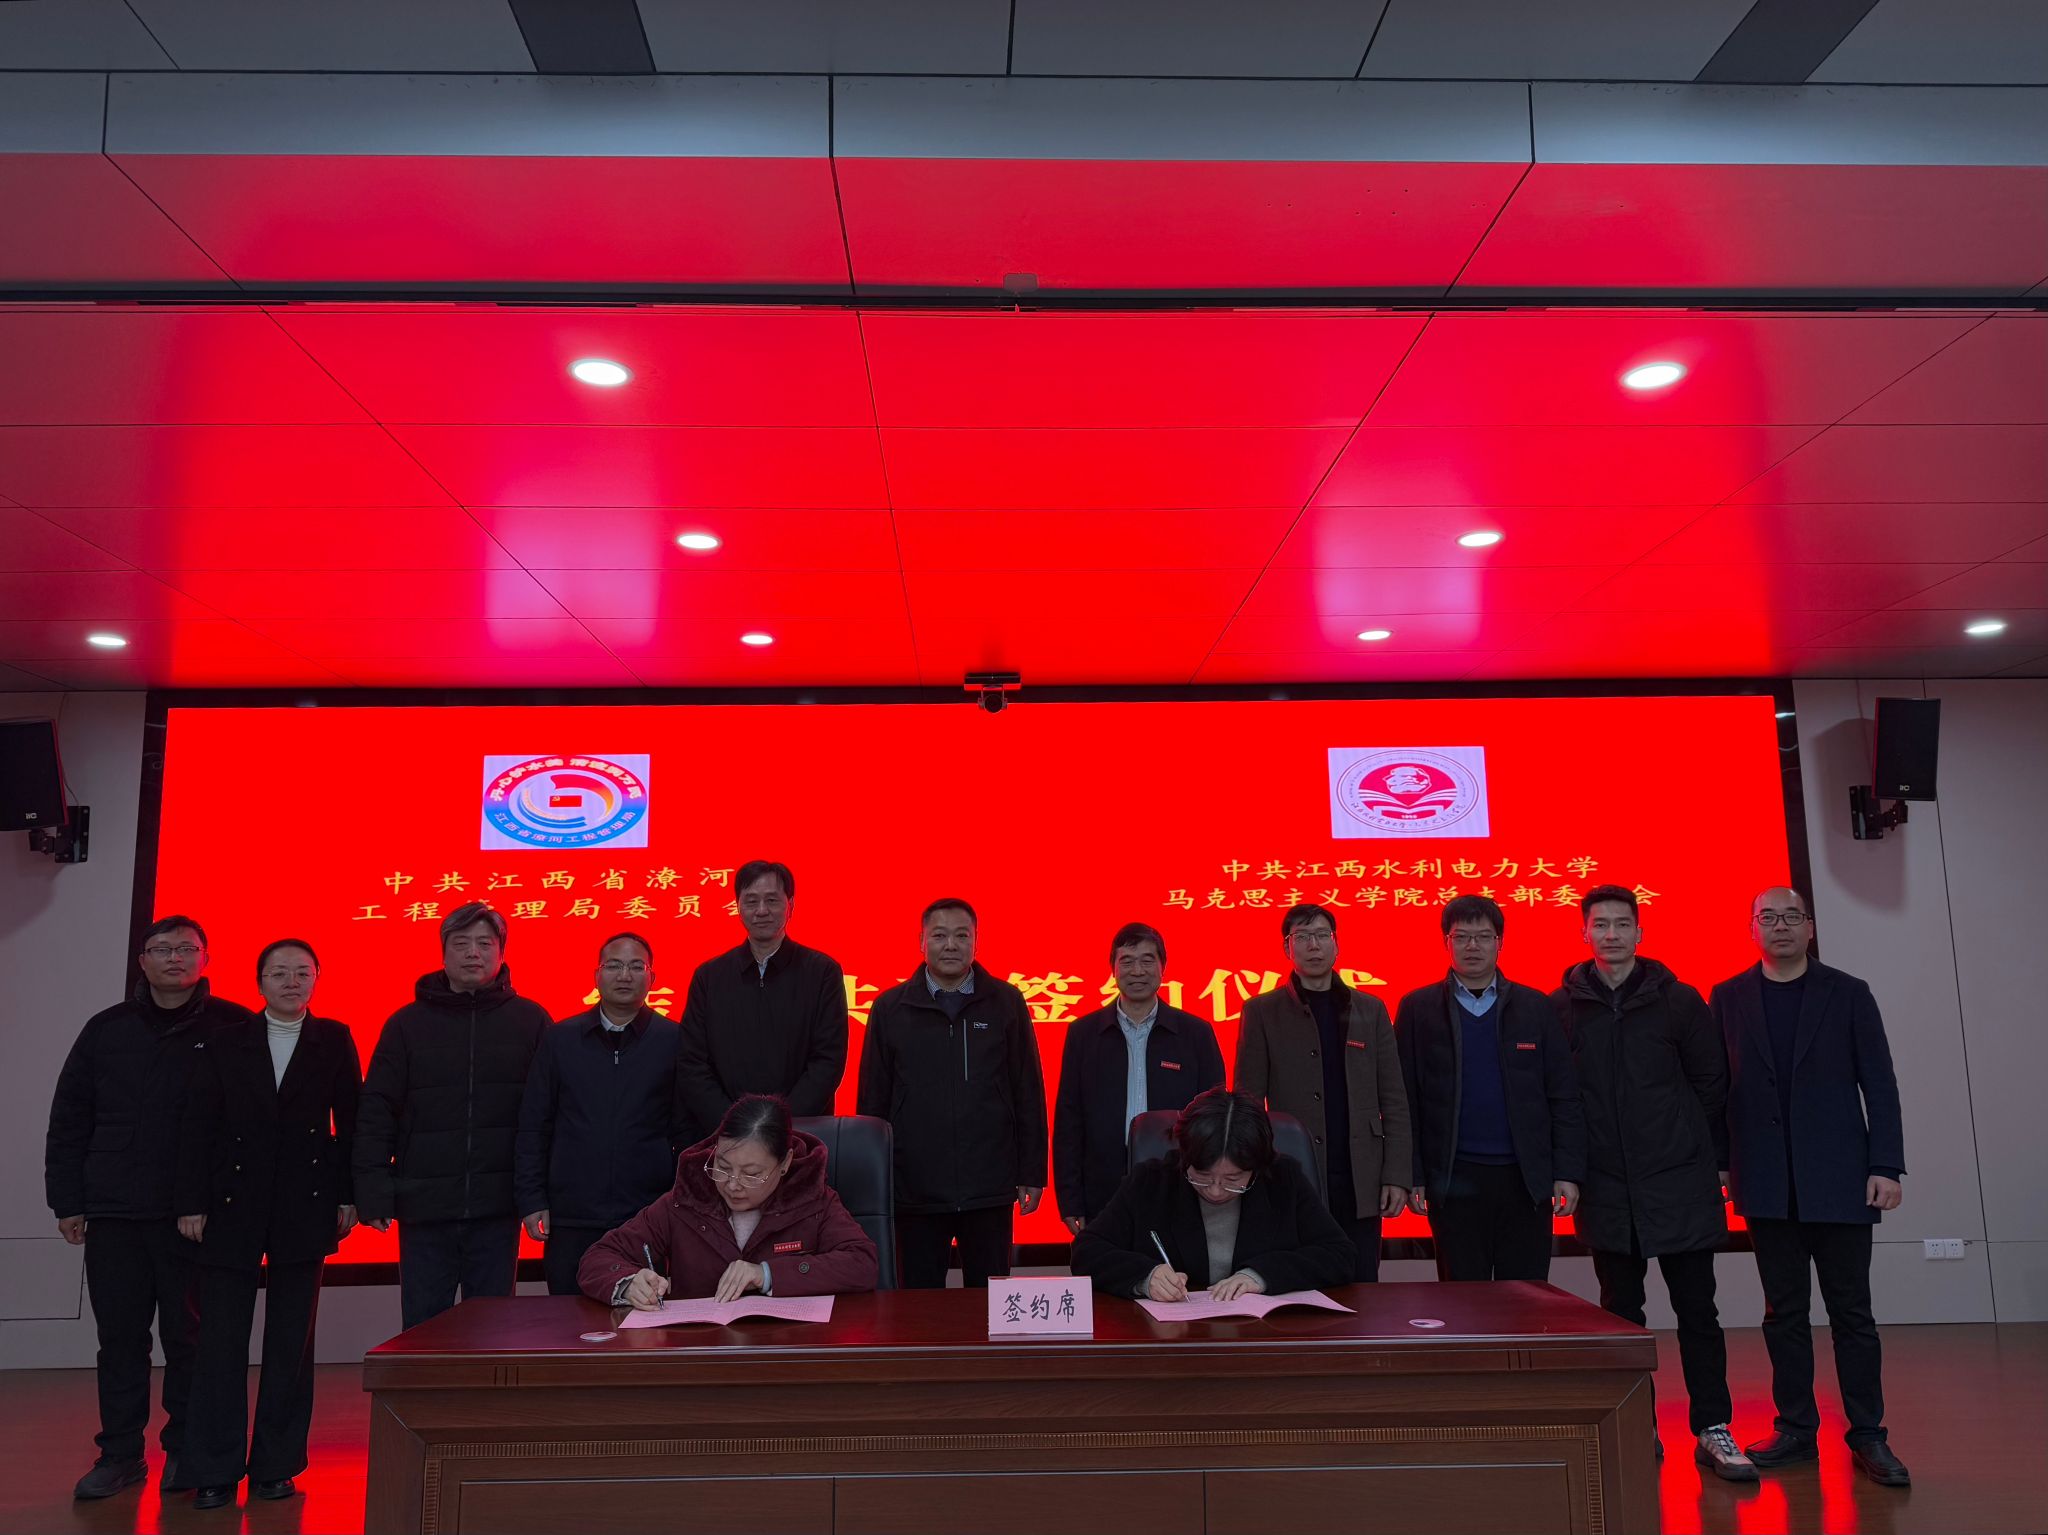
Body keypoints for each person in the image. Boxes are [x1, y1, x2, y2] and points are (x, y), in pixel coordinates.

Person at [45, 915, 254, 1502]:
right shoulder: (106, 1029)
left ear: (206, 958)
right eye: (162, 949)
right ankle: (119, 1454)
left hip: (196, 1217)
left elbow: (249, 1126)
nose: (174, 958)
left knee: (190, 1337)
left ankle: (185, 1448)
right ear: (142, 961)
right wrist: (68, 1201)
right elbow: (69, 1119)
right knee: (120, 1339)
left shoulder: (235, 1026)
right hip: (114, 1210)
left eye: (187, 948)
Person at [1710, 887, 1910, 1487]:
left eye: (1791, 917)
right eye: (1767, 917)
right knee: (1783, 1314)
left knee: (1853, 1313)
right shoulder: (1728, 997)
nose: (1780, 926)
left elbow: (1880, 1084)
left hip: (1842, 1179)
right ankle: (1796, 1430)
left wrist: (1886, 1165)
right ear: (1751, 929)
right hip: (1767, 1182)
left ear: (1810, 927)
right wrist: (1722, 1164)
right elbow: (1717, 1090)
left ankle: (1869, 1435)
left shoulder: (1848, 993)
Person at [1552, 887, 1754, 1481]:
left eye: (1623, 924)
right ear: (1584, 933)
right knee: (1621, 1315)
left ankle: (1713, 1427)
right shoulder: (1561, 1007)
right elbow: (1559, 1097)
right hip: (1607, 1187)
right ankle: (1635, 1422)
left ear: (1640, 933)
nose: (1612, 935)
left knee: (1698, 1311)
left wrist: (1701, 1151)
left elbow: (1712, 1083)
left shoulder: (1680, 1001)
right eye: (1601, 925)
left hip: (1679, 1179)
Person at [174, 940, 362, 1512]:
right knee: (220, 1340)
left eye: (302, 972)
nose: (291, 982)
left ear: (317, 979)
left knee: (291, 1342)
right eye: (279, 973)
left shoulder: (334, 1038)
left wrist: (349, 1195)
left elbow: (352, 1123)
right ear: (259, 982)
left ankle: (276, 1465)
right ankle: (213, 1468)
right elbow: (197, 1125)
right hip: (231, 1203)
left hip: (306, 1204)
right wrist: (191, 1201)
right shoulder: (225, 1040)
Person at [352, 903, 549, 1330]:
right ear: (443, 952)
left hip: (498, 1207)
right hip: (424, 1207)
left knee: (492, 1331)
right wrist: (374, 1193)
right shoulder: (406, 1024)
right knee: (423, 1330)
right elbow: (377, 1112)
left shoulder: (531, 1021)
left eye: (484, 943)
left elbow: (547, 1117)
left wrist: (538, 1196)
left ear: (501, 953)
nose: (473, 953)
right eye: (461, 943)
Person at [856, 898, 1047, 1288]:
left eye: (962, 936)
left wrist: (1032, 1172)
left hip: (989, 1184)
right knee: (919, 1305)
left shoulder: (1006, 1001)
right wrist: (874, 1181)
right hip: (915, 1187)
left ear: (976, 941)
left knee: (992, 1299)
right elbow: (872, 1102)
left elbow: (1027, 1090)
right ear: (921, 942)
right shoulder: (890, 1008)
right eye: (939, 936)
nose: (951, 945)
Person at [1395, 894, 1585, 1282]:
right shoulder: (1418, 1008)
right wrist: (1412, 1173)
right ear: (1445, 942)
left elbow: (1563, 1095)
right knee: (1464, 1298)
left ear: (1500, 942)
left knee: (1527, 1294)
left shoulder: (1535, 1006)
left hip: (1525, 1179)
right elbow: (1405, 1100)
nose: (1473, 946)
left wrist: (1566, 1170)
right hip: (1453, 1178)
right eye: (1461, 937)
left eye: (1483, 937)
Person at [1235, 904, 1411, 1281]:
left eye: (1321, 935)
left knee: (1362, 1282)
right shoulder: (1262, 1012)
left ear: (1336, 944)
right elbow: (1248, 1103)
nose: (1313, 945)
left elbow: (1394, 1099)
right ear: (1287, 948)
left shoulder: (1370, 1010)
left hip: (1361, 1176)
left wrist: (1397, 1174)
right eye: (1302, 937)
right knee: (1300, 1281)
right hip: (1293, 1173)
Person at [579, 1094, 877, 1306]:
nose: (733, 1185)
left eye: (751, 1174)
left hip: (787, 1354)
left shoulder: (814, 1201)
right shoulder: (686, 1199)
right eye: (722, 1167)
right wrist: (629, 1283)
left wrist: (766, 1274)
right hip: (700, 1355)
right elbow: (598, 1257)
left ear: (785, 1163)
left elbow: (862, 1263)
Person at [1071, 1088, 1355, 1300]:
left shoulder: (1283, 1179)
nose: (1216, 1191)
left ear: (1257, 1167)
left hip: (1263, 1337)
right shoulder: (1151, 1182)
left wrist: (1262, 1276)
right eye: (1202, 1176)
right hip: (1173, 1340)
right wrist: (1145, 1276)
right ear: (1186, 1157)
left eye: (1233, 1180)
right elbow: (1087, 1252)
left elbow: (1340, 1255)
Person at [516, 932, 683, 1294]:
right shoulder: (560, 1039)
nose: (624, 975)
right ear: (596, 975)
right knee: (567, 1316)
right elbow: (534, 1125)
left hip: (645, 1215)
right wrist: (532, 1199)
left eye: (636, 966)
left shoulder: (674, 1040)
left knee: (642, 1313)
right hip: (571, 1214)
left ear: (652, 977)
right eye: (614, 965)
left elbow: (686, 1130)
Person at [1052, 922, 1225, 1234]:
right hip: (1103, 1186)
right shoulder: (1083, 1034)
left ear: (1162, 968)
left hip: (1179, 1183)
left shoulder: (1195, 1033)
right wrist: (1070, 1199)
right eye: (1127, 961)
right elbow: (1069, 1121)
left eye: (1147, 960)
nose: (1137, 971)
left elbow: (1215, 1119)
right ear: (1113, 969)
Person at [675, 860, 849, 1143]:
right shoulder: (709, 976)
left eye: (772, 900)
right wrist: (733, 1125)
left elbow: (828, 1060)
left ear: (791, 905)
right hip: (725, 1137)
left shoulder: (822, 972)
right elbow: (693, 1062)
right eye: (751, 901)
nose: (761, 910)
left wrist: (778, 1127)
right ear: (737, 906)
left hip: (799, 1135)